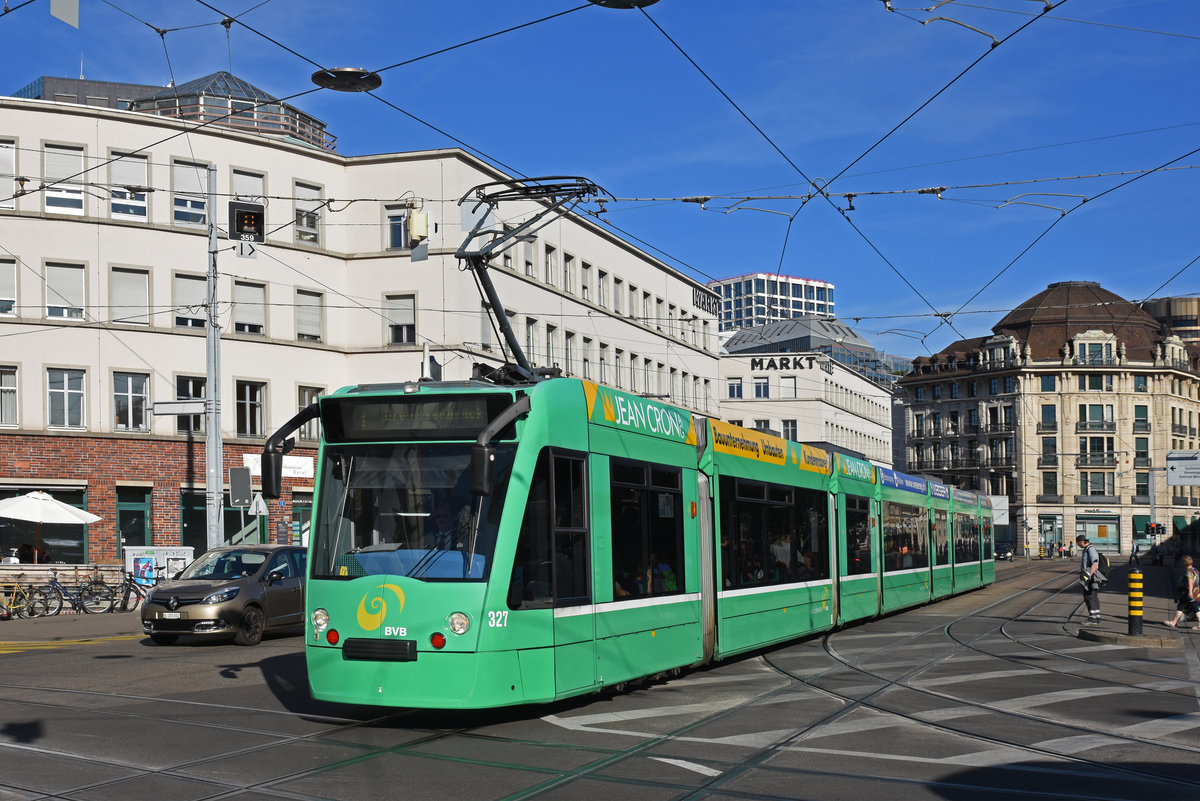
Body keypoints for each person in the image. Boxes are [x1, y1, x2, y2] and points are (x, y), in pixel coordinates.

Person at [1076, 534, 1103, 625]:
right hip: (1089, 575)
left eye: (1078, 543)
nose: (1078, 545)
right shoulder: (1087, 549)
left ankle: (1092, 618)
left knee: (1089, 596)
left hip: (1090, 576)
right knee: (1093, 596)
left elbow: (1094, 563)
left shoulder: (1090, 549)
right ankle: (1097, 617)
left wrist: (1088, 576)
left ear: (1082, 541)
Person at [1166, 555, 1199, 628]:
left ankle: (1174, 622)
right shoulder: (1195, 570)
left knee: (1181, 606)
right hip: (1196, 592)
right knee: (1196, 608)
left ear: (1184, 563)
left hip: (1189, 593)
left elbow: (1190, 581)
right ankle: (1199, 625)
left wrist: (1190, 592)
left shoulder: (1189, 572)